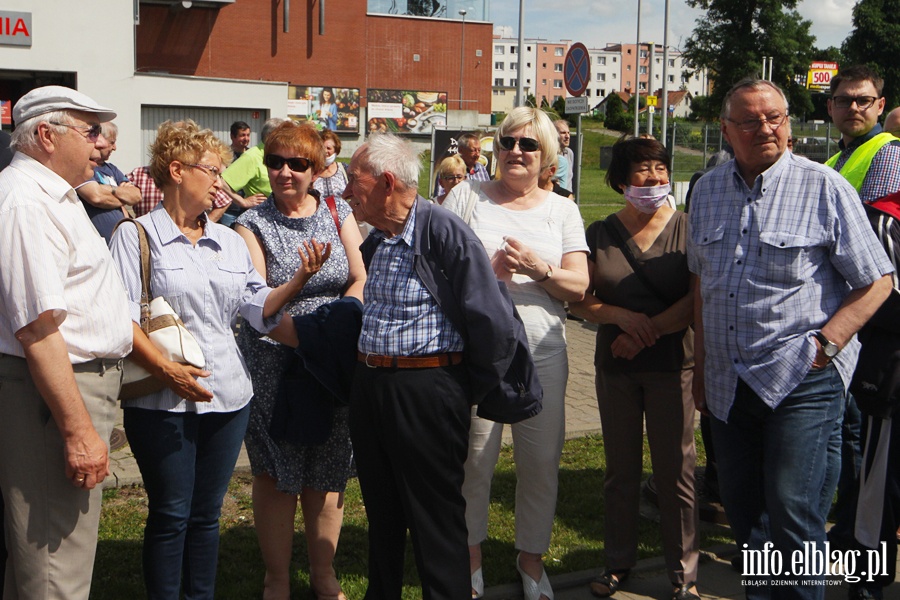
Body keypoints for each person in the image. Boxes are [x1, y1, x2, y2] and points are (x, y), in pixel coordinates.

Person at [688, 77, 894, 599]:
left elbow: (878, 280)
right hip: (727, 382)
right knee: (746, 514)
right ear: (726, 129)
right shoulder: (707, 189)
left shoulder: (824, 186)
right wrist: (703, 368)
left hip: (802, 378)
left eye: (775, 118)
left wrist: (827, 345)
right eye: (751, 120)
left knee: (794, 515)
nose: (766, 129)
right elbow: (701, 283)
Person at [108, 119, 328, 600]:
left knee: (206, 515)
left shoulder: (228, 239)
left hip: (228, 396)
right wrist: (168, 372)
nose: (219, 182)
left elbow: (257, 307)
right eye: (211, 170)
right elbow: (121, 317)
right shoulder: (135, 237)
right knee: (171, 513)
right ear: (177, 170)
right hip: (160, 399)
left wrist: (298, 281)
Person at [343, 133, 538, 600]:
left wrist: (457, 388)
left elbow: (492, 318)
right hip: (372, 388)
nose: (347, 191)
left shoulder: (443, 231)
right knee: (383, 512)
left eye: (354, 181)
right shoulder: (379, 239)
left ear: (387, 182)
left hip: (427, 390)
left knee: (435, 519)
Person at [444, 106, 590, 600]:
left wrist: (536, 267)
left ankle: (531, 560)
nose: (516, 153)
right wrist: (488, 271)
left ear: (547, 156)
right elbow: (437, 269)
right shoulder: (466, 196)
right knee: (473, 459)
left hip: (543, 353)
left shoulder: (563, 209)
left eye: (529, 145)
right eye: (508, 142)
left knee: (541, 460)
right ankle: (470, 557)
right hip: (479, 354)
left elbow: (579, 286)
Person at [0, 85, 133, 600]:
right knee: (57, 573)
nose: (101, 144)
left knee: (40, 569)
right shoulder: (26, 202)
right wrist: (78, 433)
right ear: (47, 137)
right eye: (91, 130)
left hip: (65, 393)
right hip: (55, 398)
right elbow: (37, 329)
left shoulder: (54, 195)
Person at [234, 121, 366, 600]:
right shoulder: (249, 225)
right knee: (277, 475)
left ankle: (323, 573)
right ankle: (277, 578)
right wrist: (301, 285)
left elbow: (358, 276)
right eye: (275, 162)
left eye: (297, 164)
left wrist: (333, 329)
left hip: (330, 359)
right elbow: (259, 303)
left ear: (317, 169)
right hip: (278, 363)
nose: (284, 172)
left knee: (328, 469)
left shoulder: (338, 208)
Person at [568, 137, 698, 600]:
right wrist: (620, 318)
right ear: (621, 180)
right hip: (614, 368)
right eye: (643, 170)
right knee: (620, 471)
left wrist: (645, 331)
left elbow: (695, 300)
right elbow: (580, 301)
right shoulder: (599, 232)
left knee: (675, 473)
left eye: (661, 169)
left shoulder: (688, 227)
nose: (655, 179)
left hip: (671, 366)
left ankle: (684, 575)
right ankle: (617, 563)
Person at [825, 65, 900, 201]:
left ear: (880, 106)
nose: (853, 108)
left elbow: (873, 220)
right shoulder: (832, 161)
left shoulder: (889, 152)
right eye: (843, 100)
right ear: (830, 107)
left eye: (864, 101)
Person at [77, 121, 142, 241]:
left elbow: (136, 196)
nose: (115, 147)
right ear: (99, 139)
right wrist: (122, 196)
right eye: (112, 142)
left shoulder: (112, 169)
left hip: (121, 242)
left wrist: (107, 189)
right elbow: (96, 197)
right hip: (99, 245)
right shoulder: (84, 168)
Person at [221, 117, 285, 226]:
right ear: (271, 137)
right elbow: (222, 181)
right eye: (284, 136)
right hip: (259, 220)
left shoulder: (279, 156)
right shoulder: (252, 156)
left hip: (278, 218)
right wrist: (243, 201)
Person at [130, 163, 232, 222]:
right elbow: (117, 195)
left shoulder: (194, 179)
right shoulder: (138, 174)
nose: (219, 184)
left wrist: (207, 224)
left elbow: (224, 202)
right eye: (213, 171)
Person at [433, 132, 490, 196]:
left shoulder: (482, 169)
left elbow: (488, 193)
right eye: (473, 150)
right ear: (461, 150)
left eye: (479, 150)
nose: (477, 154)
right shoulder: (448, 168)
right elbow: (440, 196)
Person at [312, 129, 348, 200]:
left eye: (328, 148)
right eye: (321, 148)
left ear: (336, 150)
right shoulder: (310, 170)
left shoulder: (344, 169)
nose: (325, 151)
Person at [554, 119, 574, 190]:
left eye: (568, 133)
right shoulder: (549, 155)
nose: (567, 136)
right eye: (563, 133)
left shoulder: (569, 153)